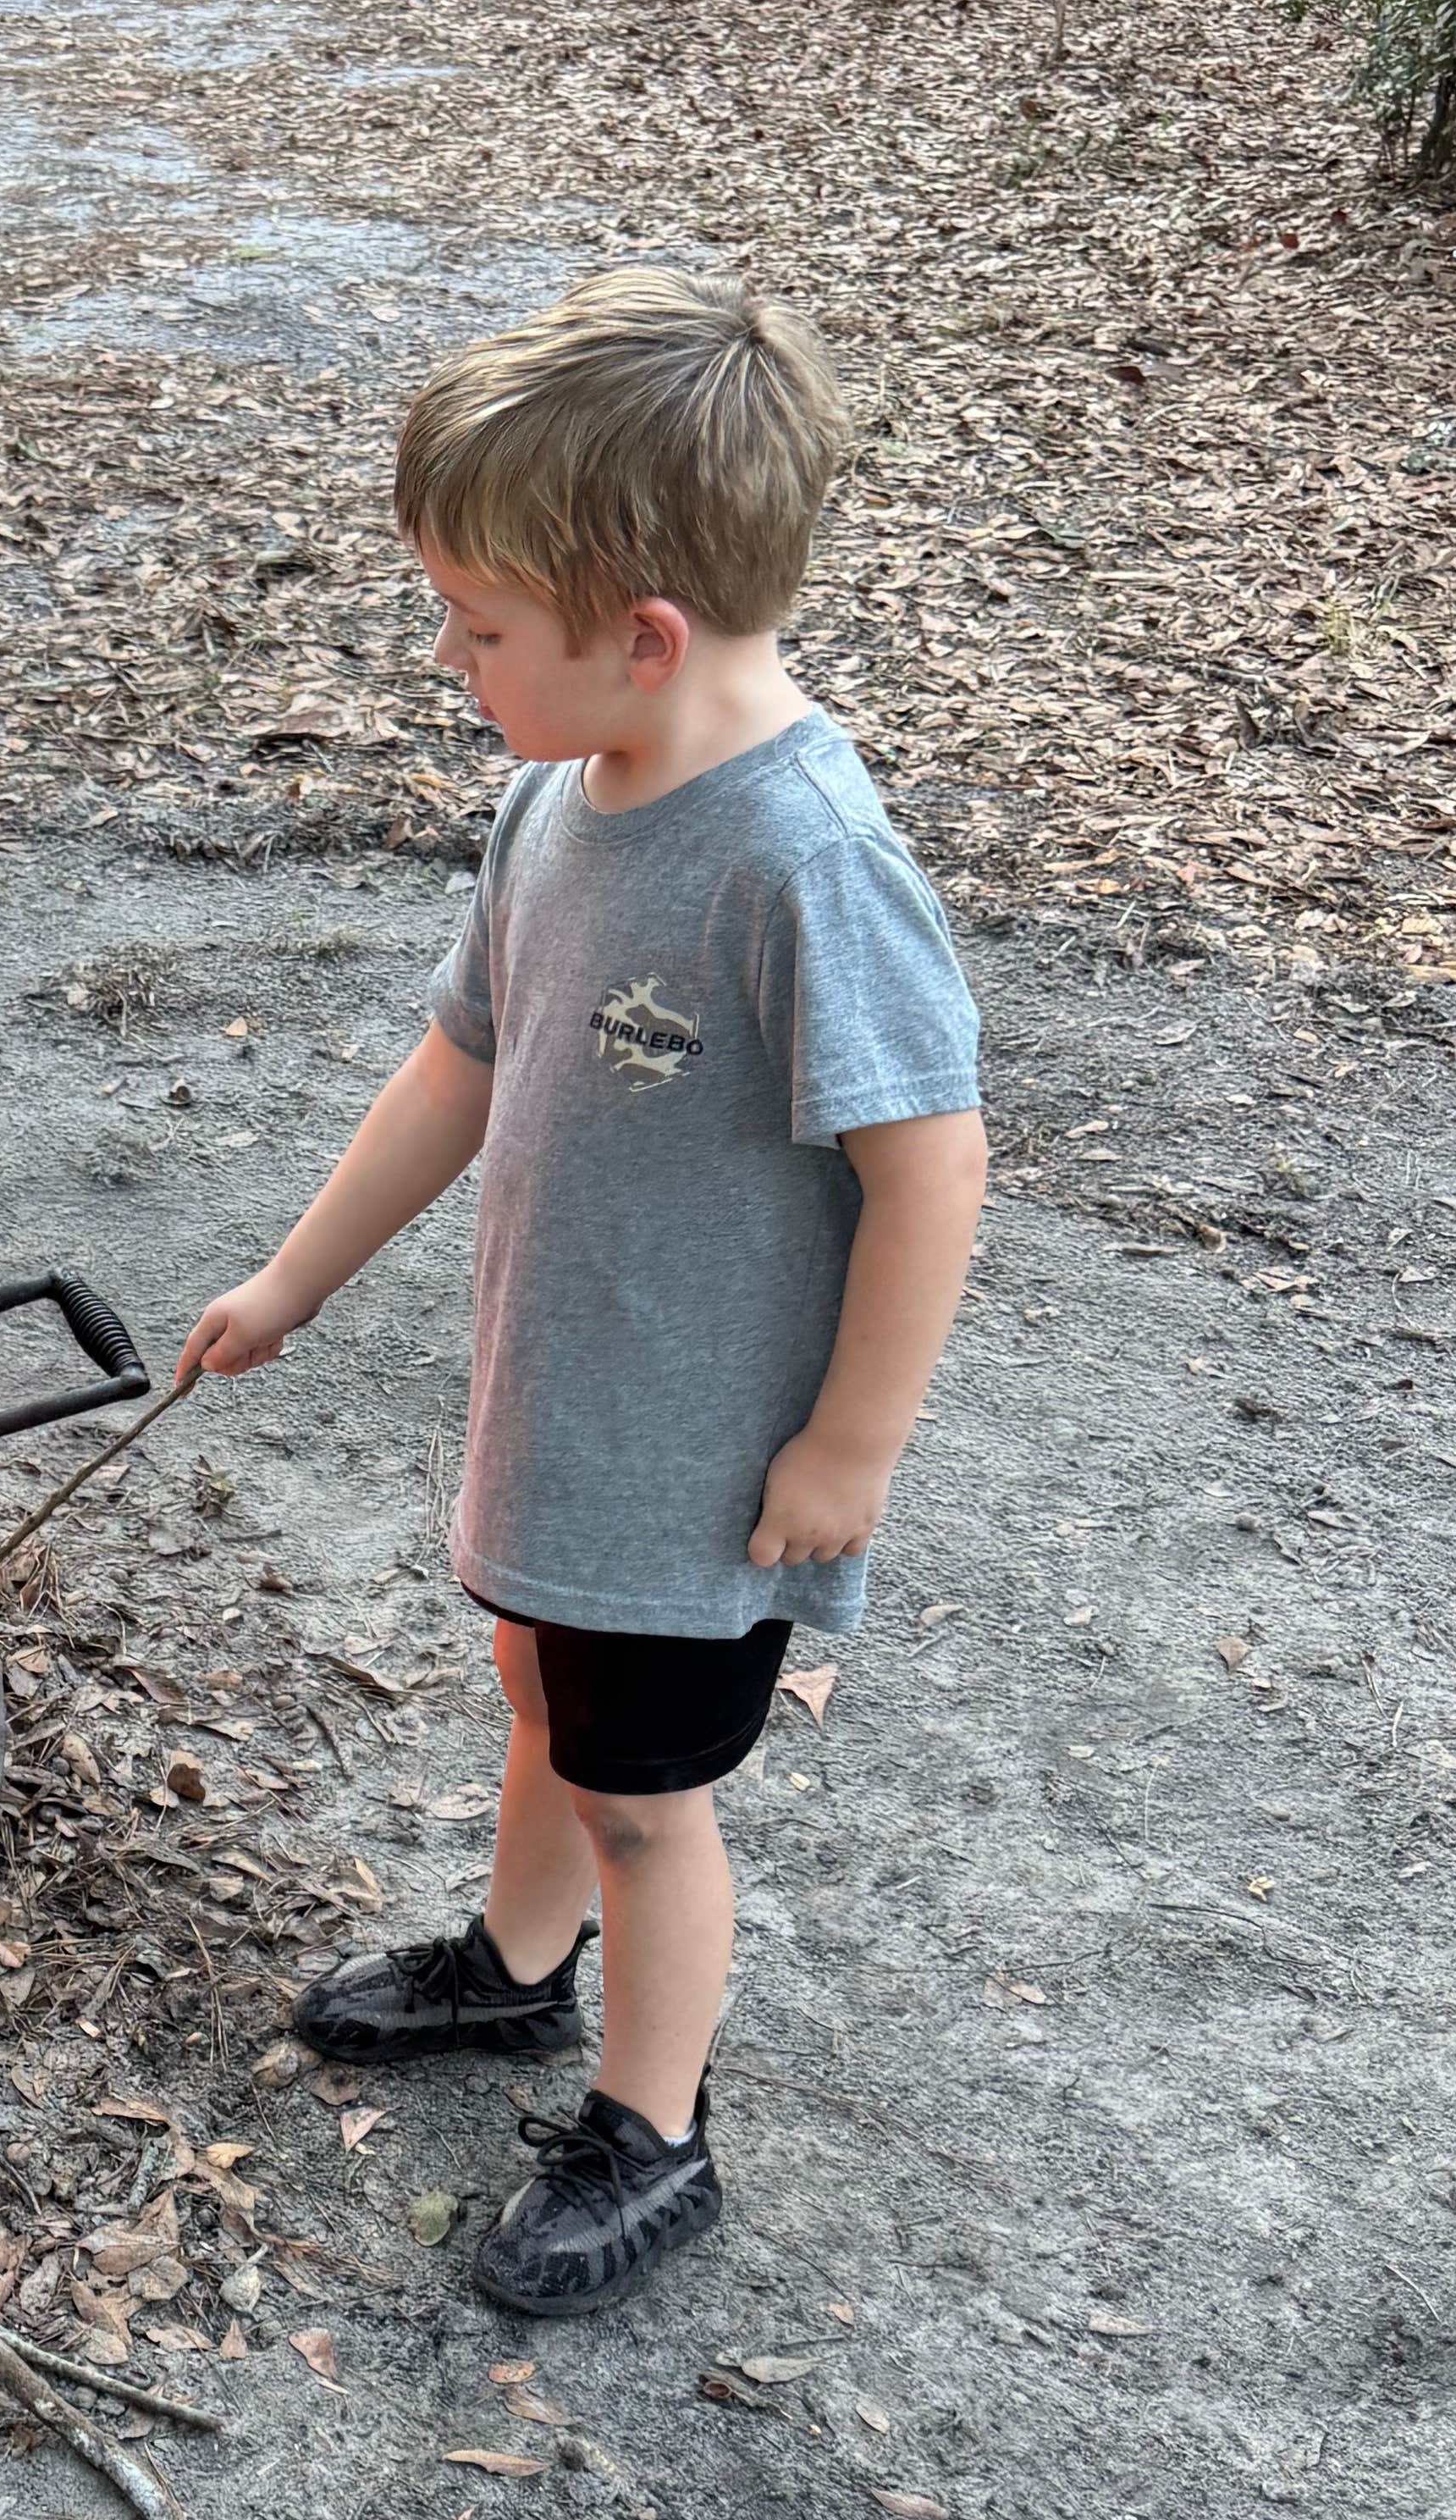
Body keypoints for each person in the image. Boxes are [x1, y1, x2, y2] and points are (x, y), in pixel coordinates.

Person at [175, 268, 987, 2312]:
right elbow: (463, 1061)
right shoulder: (558, 800)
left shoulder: (799, 863)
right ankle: (515, 1971)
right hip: (563, 1414)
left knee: (645, 1802)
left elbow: (932, 1165)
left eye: (477, 628)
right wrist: (293, 1280)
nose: (449, 661)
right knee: (543, 1701)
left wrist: (850, 1448)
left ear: (643, 637)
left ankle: (655, 2132)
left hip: (700, 1477)